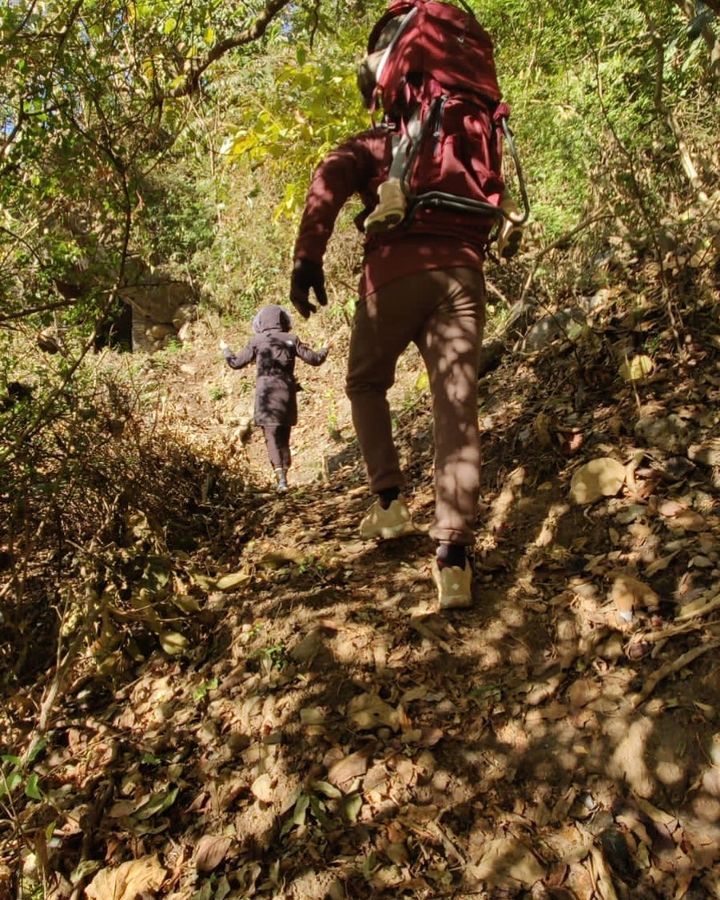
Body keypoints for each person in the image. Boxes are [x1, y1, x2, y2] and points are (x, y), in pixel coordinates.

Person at [290, 129, 497, 611]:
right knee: (456, 404)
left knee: (365, 381)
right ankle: (454, 559)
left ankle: (389, 503)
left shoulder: (378, 140)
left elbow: (329, 176)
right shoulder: (468, 128)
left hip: (393, 273)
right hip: (464, 273)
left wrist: (308, 256)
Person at [220, 305, 328, 491]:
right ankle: (285, 473)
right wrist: (325, 348)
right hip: (287, 394)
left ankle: (281, 480)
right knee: (284, 436)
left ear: (261, 322)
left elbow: (236, 363)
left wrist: (225, 350)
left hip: (266, 396)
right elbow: (315, 359)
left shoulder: (257, 341)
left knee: (271, 436)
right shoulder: (291, 339)